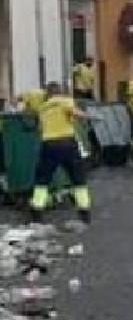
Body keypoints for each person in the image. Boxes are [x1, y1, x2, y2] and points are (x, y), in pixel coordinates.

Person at [30, 83, 91, 223]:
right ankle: (84, 211)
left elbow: (39, 127)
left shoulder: (42, 107)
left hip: (49, 144)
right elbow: (75, 113)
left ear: (48, 94)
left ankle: (37, 211)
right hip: (67, 143)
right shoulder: (66, 101)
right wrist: (89, 117)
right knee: (78, 177)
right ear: (59, 92)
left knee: (43, 178)